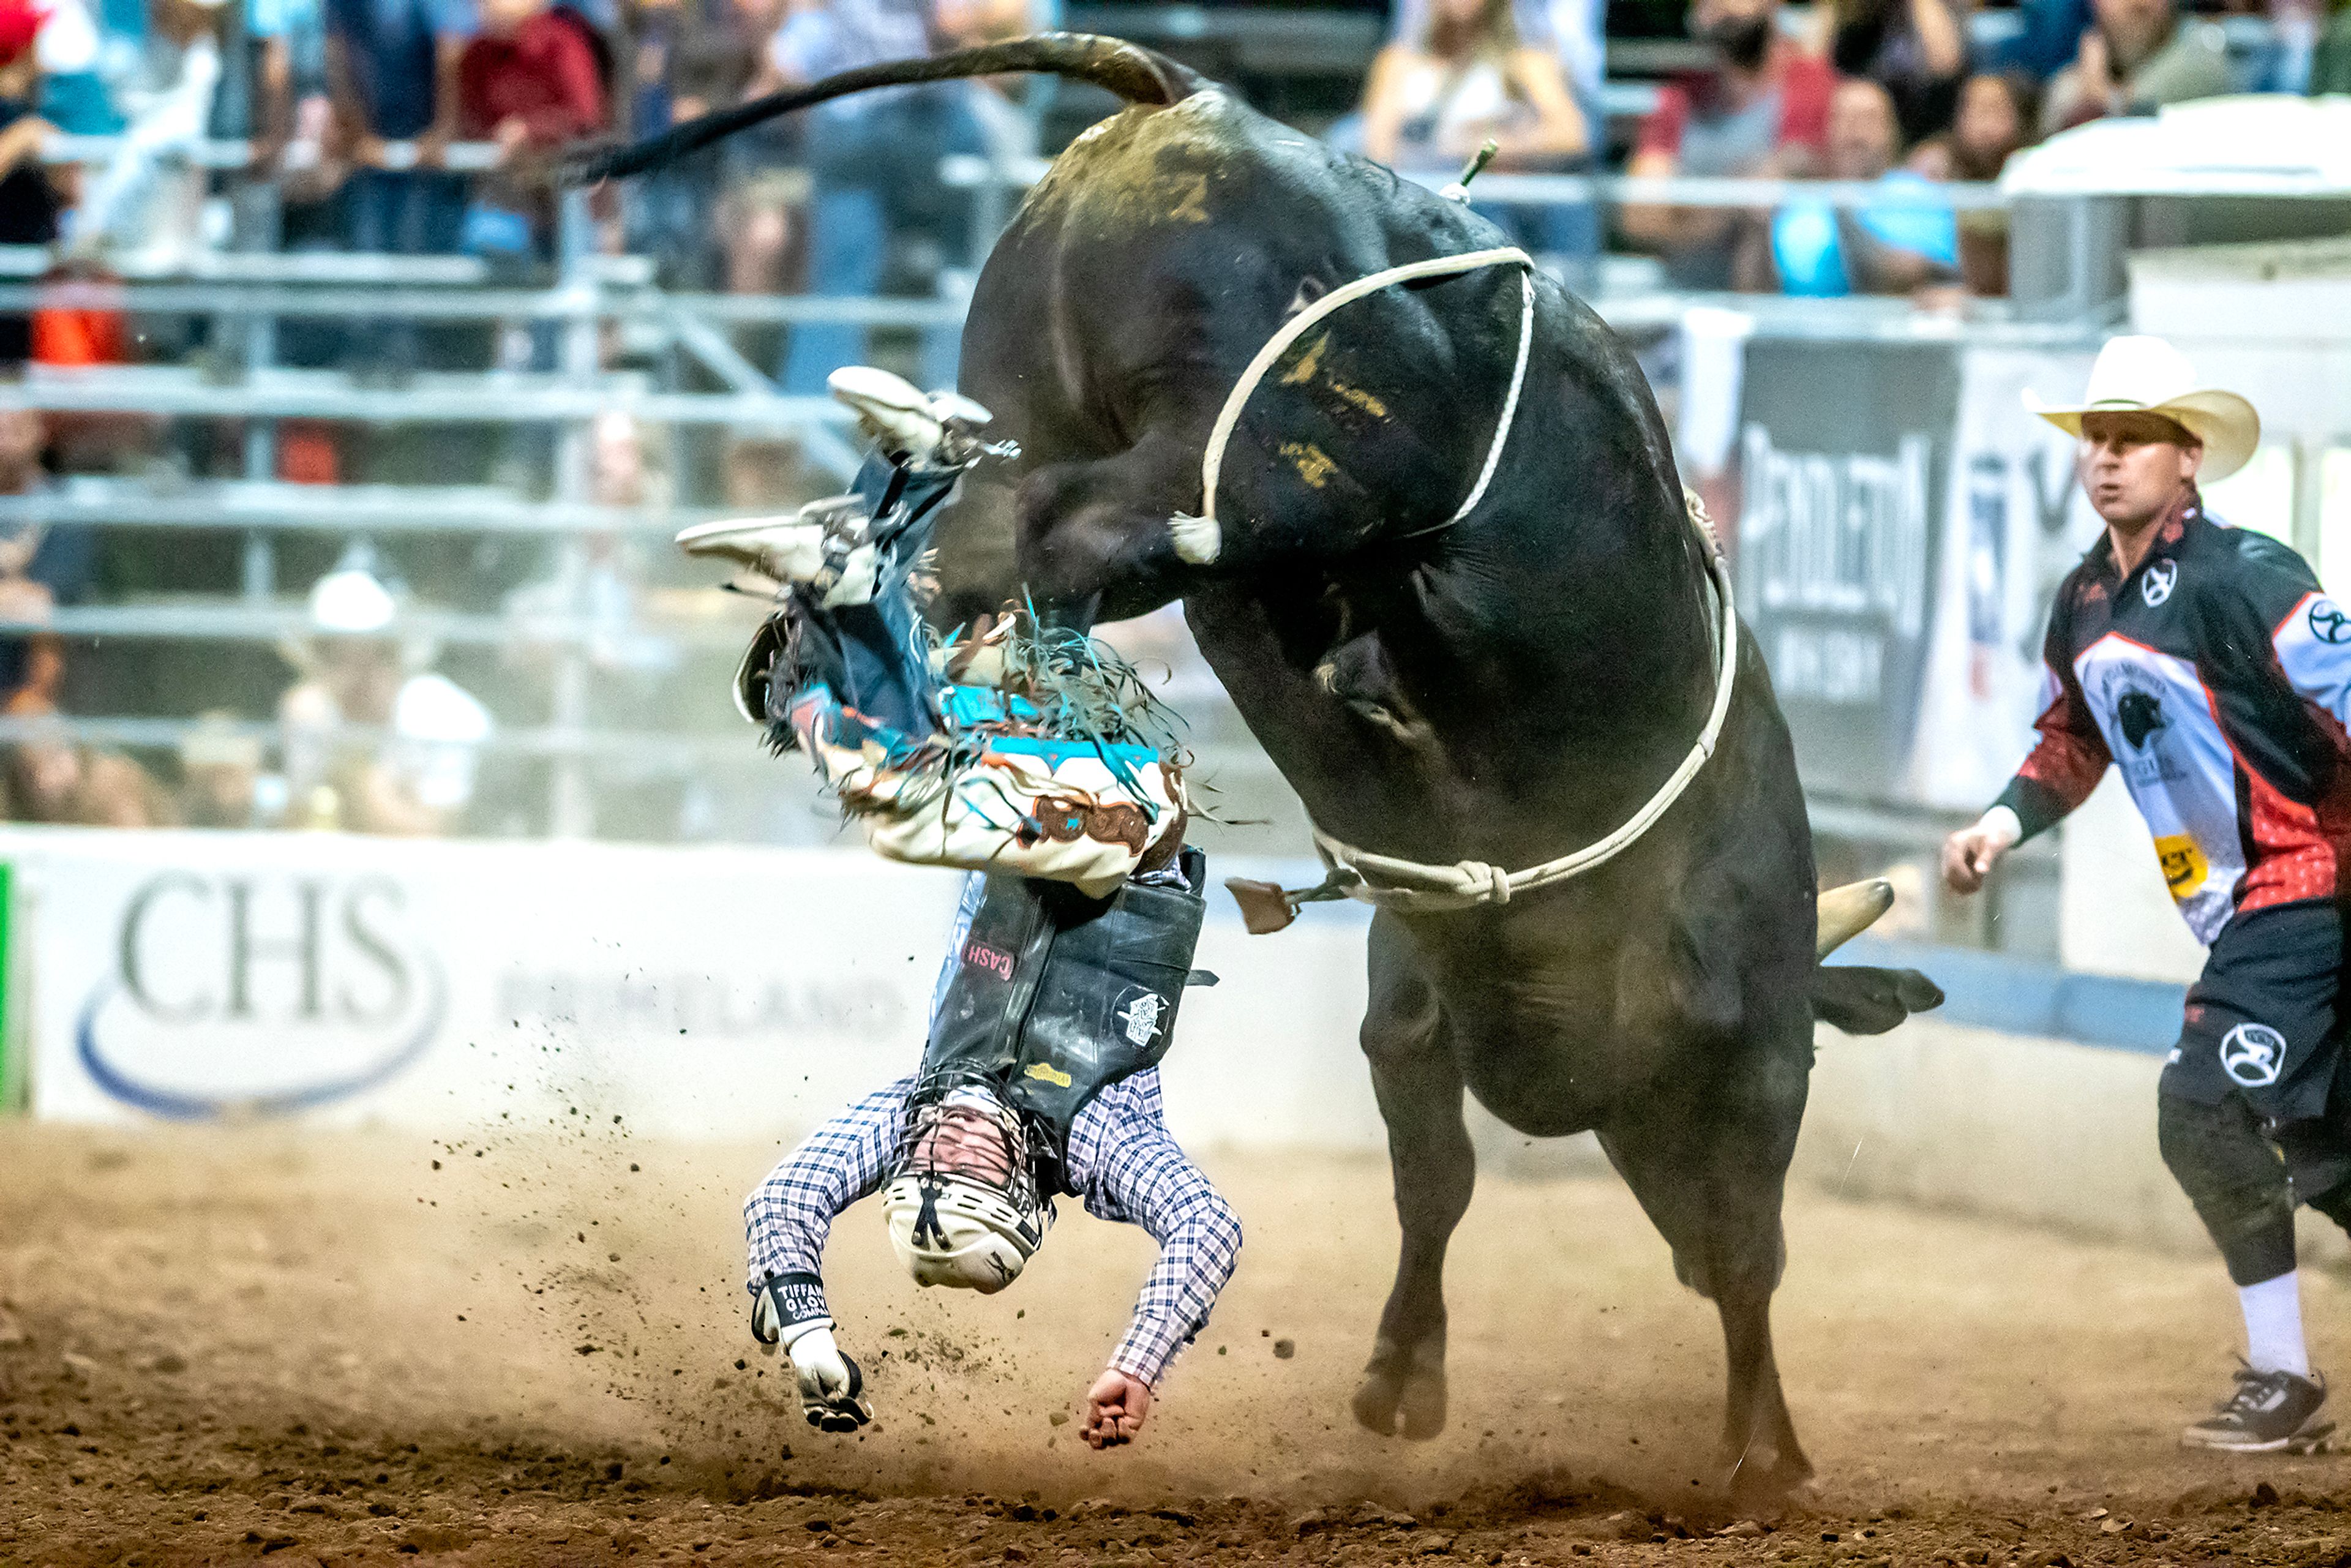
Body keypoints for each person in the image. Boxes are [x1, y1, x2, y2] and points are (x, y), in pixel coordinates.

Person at [694, 368, 1241, 1445]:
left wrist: (810, 1342)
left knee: (829, 701)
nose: (944, 1149)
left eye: (924, 1175)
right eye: (973, 1174)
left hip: (1016, 788)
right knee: (907, 799)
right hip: (1119, 830)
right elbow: (1206, 1229)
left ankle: (912, 480)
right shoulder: (1099, 1141)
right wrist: (1138, 1365)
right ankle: (891, 541)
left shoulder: (914, 1111)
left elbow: (782, 1203)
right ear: (1025, 1195)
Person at [1941, 336, 2351, 1454]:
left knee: (2199, 1105)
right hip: (2254, 906)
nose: (2108, 459)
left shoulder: (2245, 574)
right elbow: (2070, 738)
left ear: (2189, 457)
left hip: (2307, 880)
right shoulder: (2082, 599)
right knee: (2330, 1152)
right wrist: (1998, 822)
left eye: (2133, 440)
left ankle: (2282, 1380)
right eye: (2096, 439)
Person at [1621, 0, 1837, 291]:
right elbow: (1640, 217)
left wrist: (1690, 214)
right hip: (1685, 296)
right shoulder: (1679, 95)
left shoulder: (1810, 84)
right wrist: (1732, 202)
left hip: (1779, 302)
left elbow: (1815, 185)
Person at [278, 549, 494, 834]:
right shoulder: (312, 714)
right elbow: (298, 824)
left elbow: (431, 842)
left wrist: (352, 767)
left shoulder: (445, 717)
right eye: (335, 656)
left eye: (372, 655)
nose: (352, 676)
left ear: (396, 656)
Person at [324, 0, 474, 371]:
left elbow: (451, 49)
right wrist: (355, 130)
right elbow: (338, 52)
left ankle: (407, 358)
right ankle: (371, 355)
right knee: (369, 252)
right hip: (373, 152)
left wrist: (441, 132)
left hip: (423, 152)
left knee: (416, 253)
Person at [1359, 0, 1589, 222]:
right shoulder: (1399, 62)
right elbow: (1378, 149)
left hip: (1490, 207)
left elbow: (1572, 134)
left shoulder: (1523, 61)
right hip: (1416, 203)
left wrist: (1492, 144)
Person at [1769, 77, 1956, 297]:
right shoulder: (1801, 200)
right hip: (1794, 327)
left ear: (1891, 132)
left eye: (1868, 119)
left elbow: (1901, 279)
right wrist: (1759, 219)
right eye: (1845, 119)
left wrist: (1843, 210)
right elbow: (1761, 288)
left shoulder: (1918, 194)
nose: (1855, 132)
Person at [1909, 70, 2035, 295]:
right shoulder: (1935, 172)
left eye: (1996, 110)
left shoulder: (2033, 175)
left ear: (2016, 119)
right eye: (1977, 111)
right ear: (1960, 119)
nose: (1986, 126)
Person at [2040, 0, 2233, 133]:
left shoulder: (2199, 56)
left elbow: (2137, 114)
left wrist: (2098, 94)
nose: (2138, 4)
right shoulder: (2072, 78)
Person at [1809, 0, 1967, 145]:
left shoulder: (1933, 10)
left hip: (1926, 129)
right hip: (1869, 124)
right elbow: (1821, 64)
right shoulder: (1862, 18)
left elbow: (1945, 63)